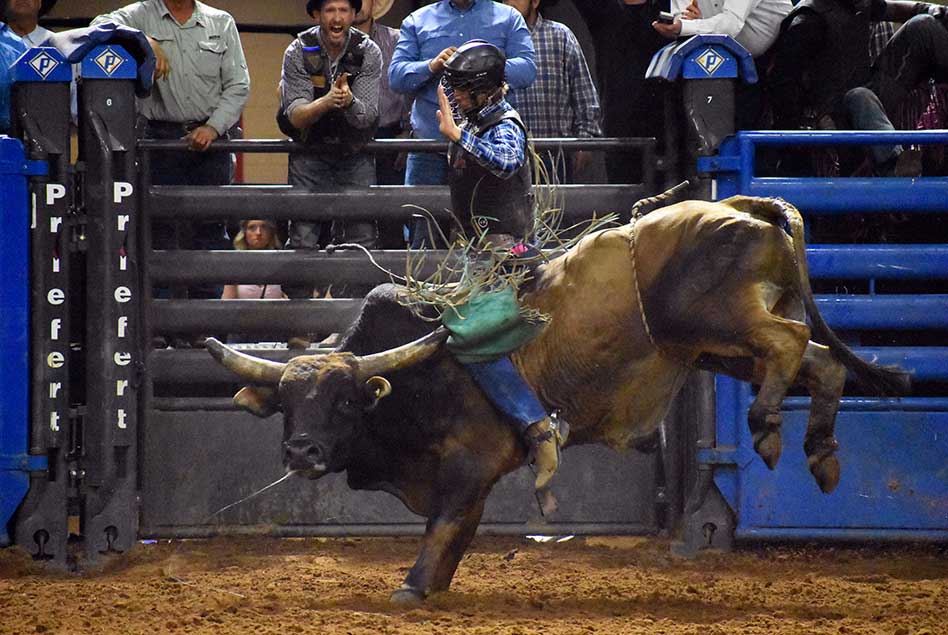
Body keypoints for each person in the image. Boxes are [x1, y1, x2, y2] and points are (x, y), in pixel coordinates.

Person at [435, 40, 561, 508]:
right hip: (478, 252)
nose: (459, 98)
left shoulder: (504, 123)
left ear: (486, 90)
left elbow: (507, 163)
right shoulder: (476, 120)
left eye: (465, 91)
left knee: (473, 337)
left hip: (505, 253)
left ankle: (535, 424)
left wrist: (456, 134)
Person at [91, 0, 250, 301]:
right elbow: (97, 26)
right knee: (158, 230)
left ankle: (204, 321)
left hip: (210, 142)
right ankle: (160, 320)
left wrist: (213, 127)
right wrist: (142, 40)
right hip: (159, 140)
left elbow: (238, 85)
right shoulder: (139, 15)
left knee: (211, 230)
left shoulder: (220, 21)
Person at [388, 0, 536, 247]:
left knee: (492, 222)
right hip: (430, 145)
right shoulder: (417, 20)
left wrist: (480, 66)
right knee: (425, 234)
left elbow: (527, 69)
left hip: (486, 136)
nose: (457, 93)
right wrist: (431, 65)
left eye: (462, 87)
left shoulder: (508, 17)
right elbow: (396, 76)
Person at [768, 0, 946, 175]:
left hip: (868, 98)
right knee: (859, 96)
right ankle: (893, 165)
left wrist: (930, 9)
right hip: (834, 118)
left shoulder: (857, 4)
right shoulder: (808, 22)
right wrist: (810, 127)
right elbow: (782, 87)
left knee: (923, 25)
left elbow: (891, 8)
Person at [279, 0, 381, 261]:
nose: (337, 17)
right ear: (317, 15)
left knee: (362, 234)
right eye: (330, 10)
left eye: (344, 10)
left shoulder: (368, 50)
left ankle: (356, 300)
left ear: (353, 15)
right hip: (310, 151)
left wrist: (349, 103)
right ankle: (299, 300)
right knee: (302, 234)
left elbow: (366, 116)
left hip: (354, 152)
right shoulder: (298, 50)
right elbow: (295, 115)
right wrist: (327, 101)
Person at [504, 0, 602, 183]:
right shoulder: (497, 39)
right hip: (509, 155)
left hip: (556, 154)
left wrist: (585, 140)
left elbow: (584, 93)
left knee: (558, 210)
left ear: (534, 2)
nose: (510, 3)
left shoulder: (560, 36)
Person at [580, 0, 669, 186]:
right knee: (623, 201)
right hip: (618, 125)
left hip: (666, 126)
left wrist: (694, 23)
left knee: (664, 203)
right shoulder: (602, 8)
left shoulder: (667, 7)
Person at [352, 0, 411, 247]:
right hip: (345, 138)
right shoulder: (326, 44)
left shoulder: (397, 40)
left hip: (391, 136)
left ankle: (393, 283)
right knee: (350, 216)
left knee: (392, 218)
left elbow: (413, 88)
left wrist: (409, 132)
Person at [652, 0, 791, 59]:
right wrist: (685, 24)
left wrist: (686, 27)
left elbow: (730, 24)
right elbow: (682, 18)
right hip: (721, 56)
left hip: (776, 58)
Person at [221, 219, 285, 300]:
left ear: (270, 232)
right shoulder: (235, 264)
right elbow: (227, 303)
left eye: (264, 227)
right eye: (252, 228)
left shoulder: (280, 262)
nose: (258, 232)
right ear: (244, 233)